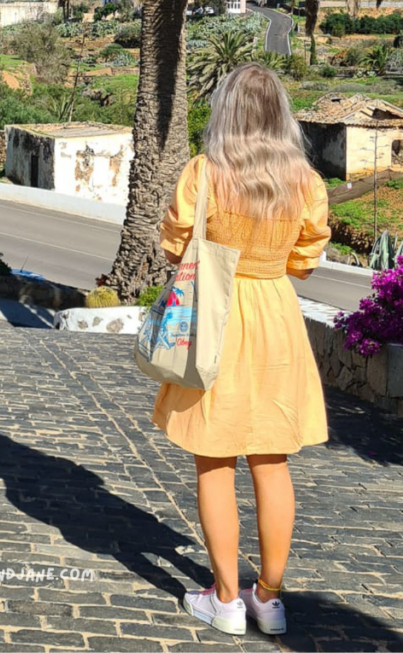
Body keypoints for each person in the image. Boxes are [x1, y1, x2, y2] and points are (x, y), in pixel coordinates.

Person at [154, 63, 331, 637]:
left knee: (214, 461)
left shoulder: (204, 172)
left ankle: (226, 599)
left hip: (217, 318)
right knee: (272, 461)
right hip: (276, 318)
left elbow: (175, 244)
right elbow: (306, 259)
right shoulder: (305, 179)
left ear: (225, 110)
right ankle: (270, 599)